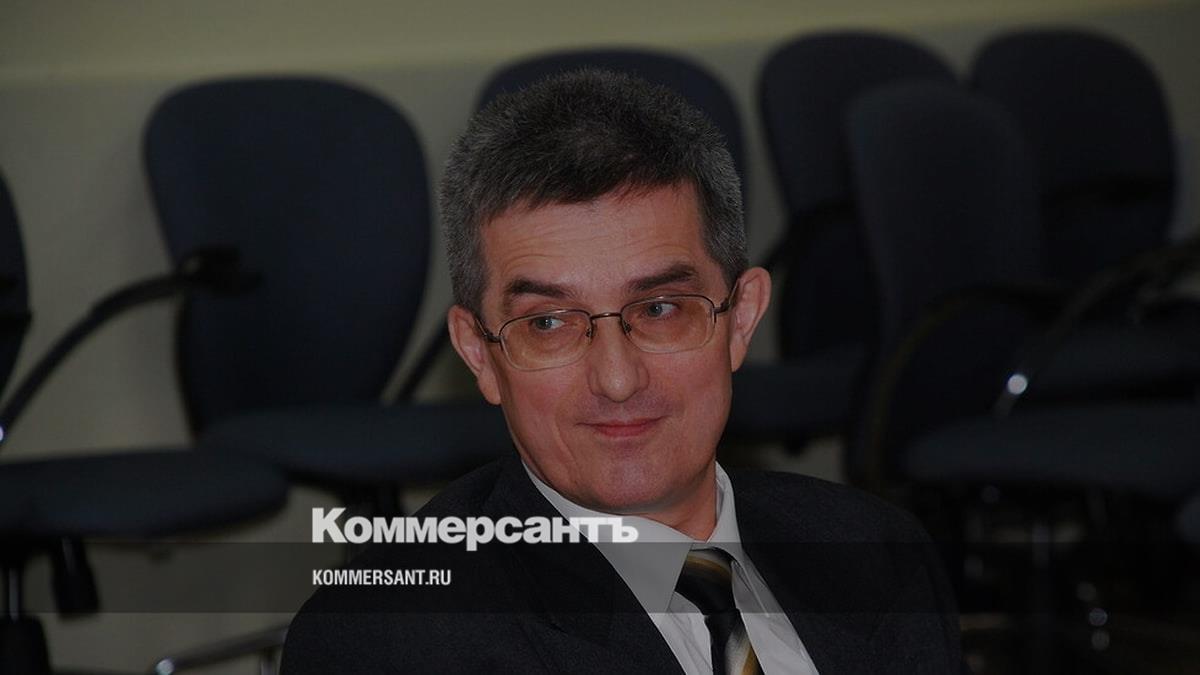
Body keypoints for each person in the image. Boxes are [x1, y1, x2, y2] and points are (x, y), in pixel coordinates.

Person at [282, 69, 963, 674]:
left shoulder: (876, 551)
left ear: (741, 319)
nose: (616, 379)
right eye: (548, 323)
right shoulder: (388, 642)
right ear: (479, 353)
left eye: (661, 309)